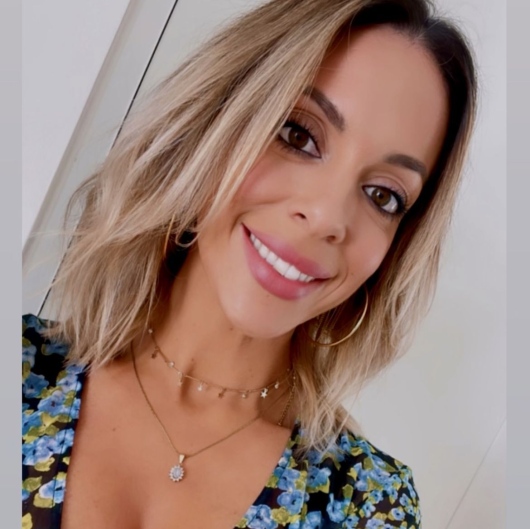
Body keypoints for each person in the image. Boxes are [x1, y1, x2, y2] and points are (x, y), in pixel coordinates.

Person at [22, 0, 477, 527]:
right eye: (298, 135)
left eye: (383, 195)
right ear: (214, 123)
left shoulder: (368, 508)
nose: (327, 217)